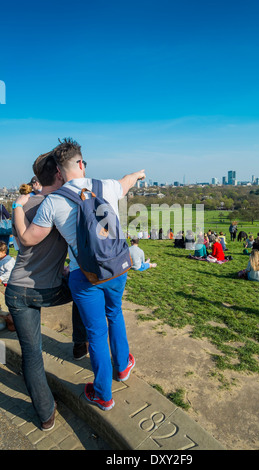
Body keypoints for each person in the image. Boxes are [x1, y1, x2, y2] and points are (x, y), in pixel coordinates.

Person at [13, 138, 145, 414]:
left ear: (58, 172)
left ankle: (103, 395)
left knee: (96, 333)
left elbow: (27, 238)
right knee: (115, 314)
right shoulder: (104, 186)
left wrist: (17, 207)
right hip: (117, 268)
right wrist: (137, 174)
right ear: (81, 163)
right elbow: (126, 182)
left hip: (85, 277)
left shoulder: (53, 203)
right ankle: (122, 367)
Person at [6, 151, 88, 431]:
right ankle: (80, 343)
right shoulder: (61, 204)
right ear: (58, 174)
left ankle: (45, 415)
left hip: (17, 290)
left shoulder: (25, 204)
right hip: (48, 289)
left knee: (32, 354)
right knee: (81, 288)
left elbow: (25, 244)